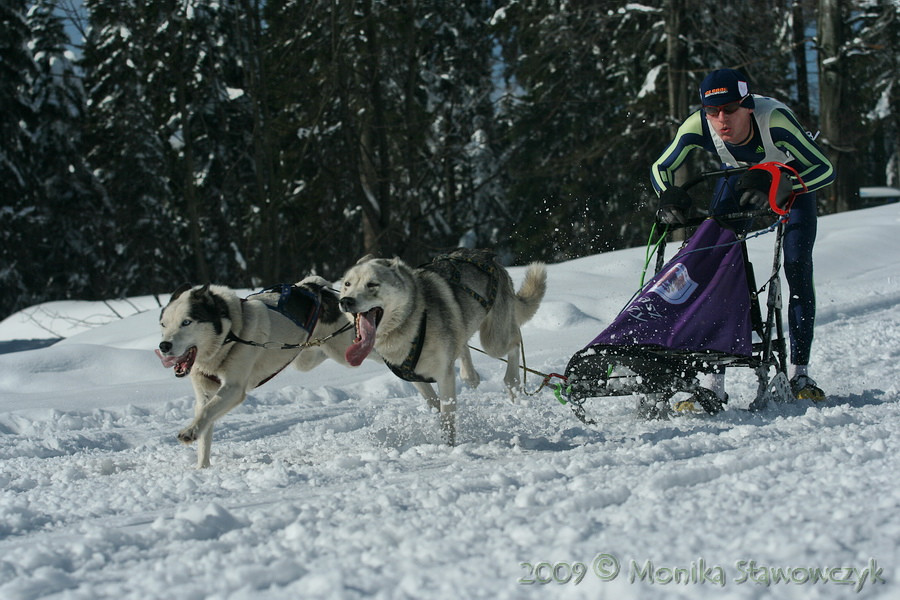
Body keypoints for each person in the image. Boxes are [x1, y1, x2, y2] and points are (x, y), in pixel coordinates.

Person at [650, 68, 835, 403]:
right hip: (739, 177)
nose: (722, 120)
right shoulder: (698, 125)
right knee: (714, 264)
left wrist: (781, 187)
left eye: (731, 110)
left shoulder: (775, 120)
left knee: (795, 265)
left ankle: (801, 375)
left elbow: (824, 168)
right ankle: (713, 384)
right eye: (712, 111)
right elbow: (660, 167)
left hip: (792, 181)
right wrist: (667, 195)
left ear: (748, 106)